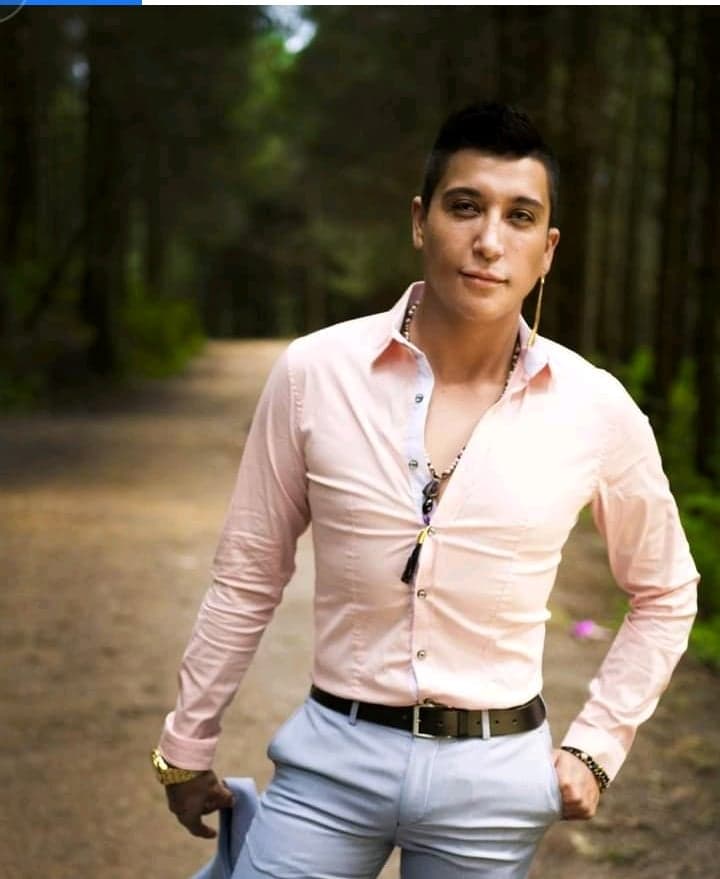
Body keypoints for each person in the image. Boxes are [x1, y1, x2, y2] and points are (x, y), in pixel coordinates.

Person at [151, 102, 698, 878]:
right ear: (420, 221)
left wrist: (597, 745)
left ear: (547, 250)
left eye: (519, 217)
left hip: (495, 778)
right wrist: (186, 740)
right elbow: (248, 572)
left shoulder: (595, 407)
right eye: (465, 206)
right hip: (329, 762)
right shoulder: (314, 373)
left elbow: (666, 589)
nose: (489, 240)